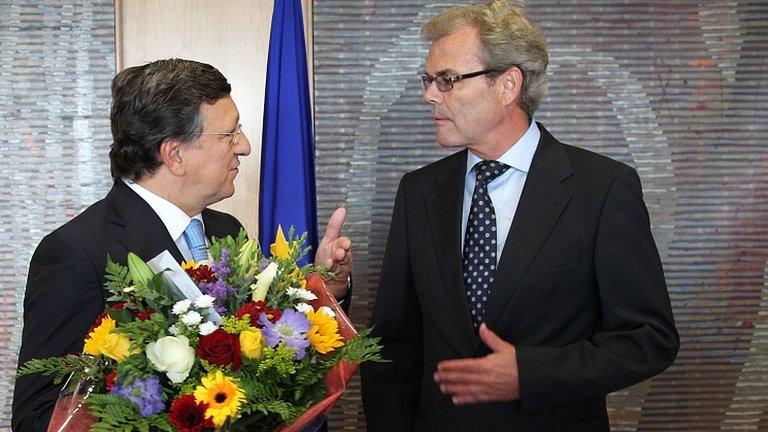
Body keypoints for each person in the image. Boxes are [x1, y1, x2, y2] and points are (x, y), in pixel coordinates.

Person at [360, 1, 679, 430]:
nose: (429, 95)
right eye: (429, 79)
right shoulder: (418, 192)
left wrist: (531, 374)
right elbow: (392, 348)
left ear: (508, 84)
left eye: (447, 80)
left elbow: (648, 339)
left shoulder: (602, 189)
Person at [12, 58, 353, 432]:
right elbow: (39, 415)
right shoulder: (77, 252)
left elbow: (270, 360)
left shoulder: (228, 231)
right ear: (174, 154)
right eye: (229, 134)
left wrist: (325, 291)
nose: (245, 146)